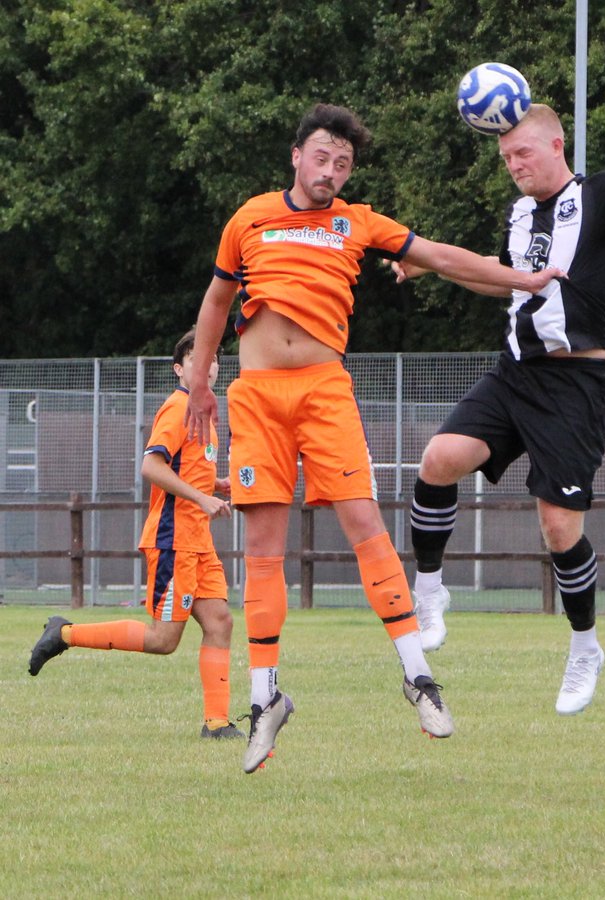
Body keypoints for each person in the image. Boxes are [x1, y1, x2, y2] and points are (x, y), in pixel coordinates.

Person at [183, 103, 564, 773]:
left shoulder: (356, 223)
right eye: (323, 157)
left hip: (325, 391)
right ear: (296, 157)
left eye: (344, 163)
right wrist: (205, 384)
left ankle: (419, 678)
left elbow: (444, 259)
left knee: (364, 523)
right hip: (257, 396)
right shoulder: (248, 218)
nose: (332, 170)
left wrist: (523, 280)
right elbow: (216, 303)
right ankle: (264, 699)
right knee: (262, 549)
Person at [398, 69, 605, 715]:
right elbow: (507, 282)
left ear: (557, 146)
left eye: (521, 152)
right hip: (514, 373)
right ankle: (432, 592)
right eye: (504, 157)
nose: (513, 165)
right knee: (438, 459)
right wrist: (427, 264)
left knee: (558, 527)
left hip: (576, 385)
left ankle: (585, 645)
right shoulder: (521, 213)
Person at [29, 330, 243, 740]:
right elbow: (152, 467)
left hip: (198, 541)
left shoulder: (206, 412)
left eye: (214, 357)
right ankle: (64, 633)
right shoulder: (178, 408)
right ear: (180, 369)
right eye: (198, 358)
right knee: (164, 640)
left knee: (220, 622)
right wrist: (201, 497)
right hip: (173, 541)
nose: (209, 363)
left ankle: (216, 724)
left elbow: (181, 468)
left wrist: (214, 485)